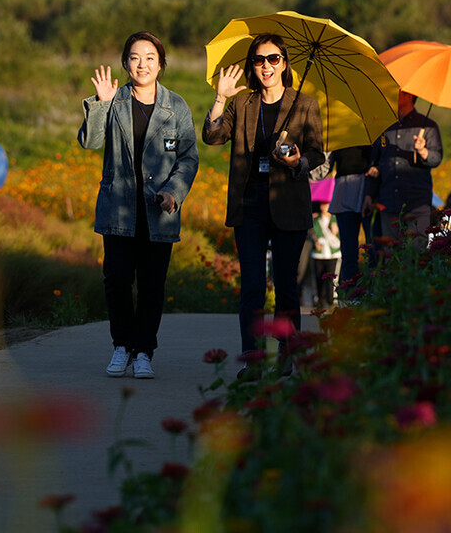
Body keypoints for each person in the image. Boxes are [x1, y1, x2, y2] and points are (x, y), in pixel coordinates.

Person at [202, 33, 324, 379]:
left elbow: (316, 154)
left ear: (285, 63)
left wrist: (297, 161)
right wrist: (219, 98)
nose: (266, 66)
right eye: (258, 60)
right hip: (250, 204)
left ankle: (287, 356)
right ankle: (253, 360)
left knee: (286, 285)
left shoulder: (305, 105)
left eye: (273, 59)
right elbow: (212, 136)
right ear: (251, 66)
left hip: (288, 204)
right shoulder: (241, 104)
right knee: (253, 285)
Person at [78, 31, 199, 379]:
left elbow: (188, 158)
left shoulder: (176, 106)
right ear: (125, 63)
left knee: (151, 285)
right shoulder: (113, 101)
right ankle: (122, 346)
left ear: (161, 64)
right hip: (119, 208)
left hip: (157, 213)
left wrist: (173, 193)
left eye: (149, 57)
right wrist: (100, 104)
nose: (142, 64)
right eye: (134, 57)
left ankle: (144, 350)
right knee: (116, 279)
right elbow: (90, 142)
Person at [364, 90, 443, 247]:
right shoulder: (384, 126)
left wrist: (423, 151)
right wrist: (368, 194)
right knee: (390, 257)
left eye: (399, 92)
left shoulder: (428, 126)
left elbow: (436, 159)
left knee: (417, 254)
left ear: (409, 96)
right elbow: (374, 165)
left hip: (417, 203)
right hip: (389, 202)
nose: (393, 95)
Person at [326, 145, 372, 288]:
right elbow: (323, 169)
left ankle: (375, 291)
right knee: (348, 250)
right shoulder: (338, 136)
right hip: (344, 190)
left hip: (369, 190)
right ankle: (352, 294)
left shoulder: (372, 132)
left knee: (373, 248)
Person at [310, 200, 341, 308]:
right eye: (322, 204)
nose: (324, 207)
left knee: (332, 278)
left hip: (333, 253)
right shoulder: (315, 219)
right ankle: (319, 298)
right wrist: (315, 241)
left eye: (326, 204)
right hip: (319, 254)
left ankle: (331, 299)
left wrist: (336, 231)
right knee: (319, 277)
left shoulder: (335, 219)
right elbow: (311, 232)